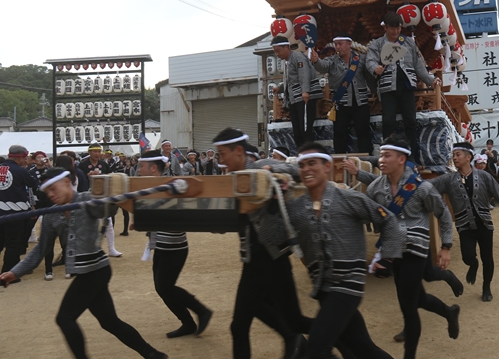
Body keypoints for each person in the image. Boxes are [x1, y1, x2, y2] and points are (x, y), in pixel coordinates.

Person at [0, 168, 168, 359]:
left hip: (95, 270)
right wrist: (15, 272)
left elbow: (107, 209)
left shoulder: (87, 199)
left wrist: (112, 193)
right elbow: (41, 249)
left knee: (64, 318)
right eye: (47, 192)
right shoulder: (51, 215)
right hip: (89, 271)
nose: (51, 195)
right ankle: (152, 354)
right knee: (109, 322)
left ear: (66, 182)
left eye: (53, 188)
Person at [286, 142, 401, 359]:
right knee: (362, 350)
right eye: (302, 165)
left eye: (312, 163)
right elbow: (277, 237)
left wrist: (387, 257)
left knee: (316, 351)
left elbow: (388, 219)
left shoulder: (348, 198)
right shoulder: (295, 208)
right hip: (322, 288)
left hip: (348, 284)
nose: (307, 169)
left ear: (327, 166)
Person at [213, 128, 311, 359]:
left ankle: (340, 337)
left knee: (295, 321)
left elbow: (296, 170)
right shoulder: (230, 180)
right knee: (239, 326)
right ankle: (294, 338)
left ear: (239, 151)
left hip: (273, 258)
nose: (221, 160)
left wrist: (272, 171)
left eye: (223, 154)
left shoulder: (261, 167)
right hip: (251, 260)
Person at [364, 136, 460, 359]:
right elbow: (364, 211)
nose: (381, 160)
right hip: (392, 250)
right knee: (418, 299)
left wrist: (446, 246)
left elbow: (443, 214)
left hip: (415, 249)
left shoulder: (421, 188)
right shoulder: (376, 188)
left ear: (401, 159)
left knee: (407, 305)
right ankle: (449, 312)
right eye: (381, 155)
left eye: (387, 155)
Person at [428, 142, 499, 303]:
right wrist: (410, 183)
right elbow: (427, 186)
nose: (455, 158)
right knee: (467, 256)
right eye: (454, 155)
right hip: (464, 226)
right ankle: (473, 264)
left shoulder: (484, 176)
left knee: (488, 258)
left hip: (484, 224)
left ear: (468, 157)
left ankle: (486, 287)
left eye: (458, 154)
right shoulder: (449, 179)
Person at [133, 150, 213, 338]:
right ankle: (188, 323)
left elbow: (177, 213)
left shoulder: (173, 186)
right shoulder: (151, 187)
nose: (138, 170)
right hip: (161, 245)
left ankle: (201, 311)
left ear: (153, 168)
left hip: (174, 246)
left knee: (165, 287)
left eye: (141, 166)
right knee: (162, 288)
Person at [365, 12, 442, 161]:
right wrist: (375, 68)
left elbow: (418, 64)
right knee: (388, 122)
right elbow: (370, 61)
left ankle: (411, 157)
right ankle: (388, 155)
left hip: (407, 86)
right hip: (388, 87)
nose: (396, 31)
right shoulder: (377, 44)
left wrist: (430, 80)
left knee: (411, 121)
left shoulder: (408, 42)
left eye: (398, 28)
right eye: (392, 28)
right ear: (385, 28)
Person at [311, 36, 373, 154]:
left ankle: (367, 159)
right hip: (341, 103)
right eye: (336, 44)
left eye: (340, 44)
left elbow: (370, 75)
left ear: (349, 44)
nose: (337, 47)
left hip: (360, 102)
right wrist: (316, 61)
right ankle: (340, 160)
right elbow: (322, 66)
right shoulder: (332, 60)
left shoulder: (361, 59)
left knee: (363, 132)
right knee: (339, 133)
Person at [272, 36, 324, 149]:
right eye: (275, 52)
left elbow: (304, 74)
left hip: (303, 97)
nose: (277, 54)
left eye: (278, 51)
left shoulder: (297, 57)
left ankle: (309, 152)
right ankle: (301, 152)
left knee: (304, 129)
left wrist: (305, 91)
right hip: (295, 98)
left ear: (286, 47)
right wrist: (280, 88)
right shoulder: (288, 61)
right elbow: (291, 81)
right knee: (297, 130)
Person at [0, 145, 37, 277]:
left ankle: (15, 267)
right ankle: (8, 272)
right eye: (25, 157)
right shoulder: (21, 171)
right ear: (20, 157)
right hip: (15, 211)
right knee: (13, 243)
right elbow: (33, 183)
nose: (26, 160)